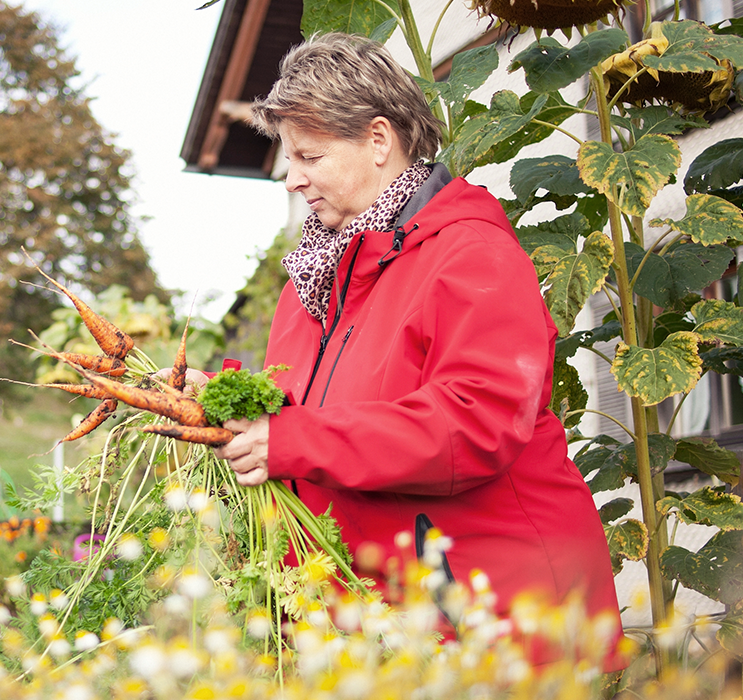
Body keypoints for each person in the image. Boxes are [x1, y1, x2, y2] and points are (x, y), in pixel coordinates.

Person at [204, 33, 623, 667]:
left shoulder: (470, 254)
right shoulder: (312, 280)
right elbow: (299, 412)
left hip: (491, 616)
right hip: (376, 623)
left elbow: (476, 422)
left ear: (378, 140)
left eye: (309, 156)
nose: (293, 180)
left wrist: (289, 439)